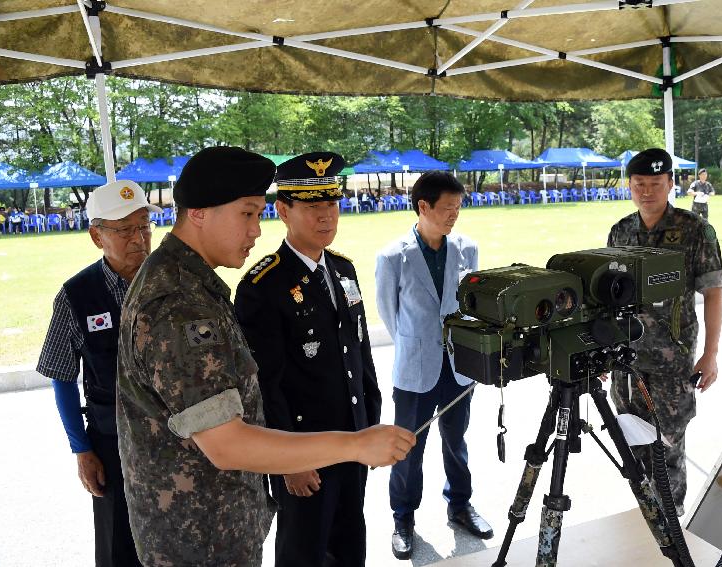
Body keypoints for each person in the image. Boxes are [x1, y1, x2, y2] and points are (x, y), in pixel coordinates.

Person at [116, 146, 415, 566]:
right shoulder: (179, 304)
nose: (257, 231)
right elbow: (226, 444)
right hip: (199, 539)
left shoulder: (192, 285)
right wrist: (355, 444)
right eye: (248, 213)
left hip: (216, 525)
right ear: (200, 212)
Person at [235, 152, 382, 567]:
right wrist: (285, 462)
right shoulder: (262, 285)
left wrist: (368, 426)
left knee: (351, 542)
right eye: (313, 206)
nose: (326, 216)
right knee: (305, 550)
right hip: (303, 453)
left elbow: (360, 356)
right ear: (283, 210)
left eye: (331, 204)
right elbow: (264, 384)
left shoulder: (343, 270)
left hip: (352, 440)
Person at [36, 179, 162, 567]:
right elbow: (61, 377)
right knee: (117, 546)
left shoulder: (174, 283)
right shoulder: (76, 295)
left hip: (176, 440)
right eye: (124, 230)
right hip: (112, 442)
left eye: (144, 226)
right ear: (96, 236)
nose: (138, 238)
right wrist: (82, 450)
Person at [376, 171, 492, 560]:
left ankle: (460, 505)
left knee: (456, 442)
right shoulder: (392, 256)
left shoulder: (467, 248)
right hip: (415, 369)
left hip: (459, 366)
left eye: (458, 208)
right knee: (407, 448)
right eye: (447, 208)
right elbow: (389, 315)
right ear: (422, 206)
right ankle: (403, 519)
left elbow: (472, 306)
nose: (454, 216)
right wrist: (419, 346)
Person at [606, 148, 722, 516]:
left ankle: (671, 535)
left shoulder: (695, 230)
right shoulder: (621, 231)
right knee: (633, 451)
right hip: (626, 365)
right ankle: (645, 523)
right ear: (629, 185)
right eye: (639, 184)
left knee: (668, 453)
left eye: (655, 184)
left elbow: (713, 292)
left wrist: (710, 353)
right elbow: (606, 297)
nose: (646, 191)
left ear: (671, 184)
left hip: (671, 368)